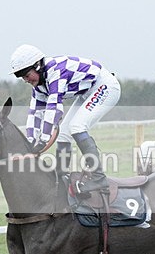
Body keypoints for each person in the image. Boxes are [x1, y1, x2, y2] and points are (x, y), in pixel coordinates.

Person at [9, 44, 122, 194]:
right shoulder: (39, 86)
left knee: (77, 126)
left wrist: (42, 141)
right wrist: (30, 142)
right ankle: (61, 175)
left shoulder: (55, 71)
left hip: (105, 87)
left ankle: (98, 178)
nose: (25, 80)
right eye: (21, 77)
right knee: (64, 133)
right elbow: (34, 114)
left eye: (26, 75)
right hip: (88, 92)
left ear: (37, 66)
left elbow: (53, 110)